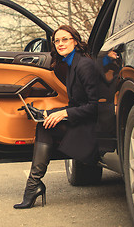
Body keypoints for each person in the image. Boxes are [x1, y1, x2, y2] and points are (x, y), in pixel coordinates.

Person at [14, 25, 99, 209]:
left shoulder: (84, 65)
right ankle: (33, 186)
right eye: (57, 40)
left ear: (75, 41)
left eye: (65, 39)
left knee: (45, 126)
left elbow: (95, 107)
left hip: (94, 129)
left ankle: (33, 186)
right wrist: (47, 113)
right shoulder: (71, 64)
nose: (60, 44)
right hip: (83, 122)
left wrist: (64, 113)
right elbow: (77, 103)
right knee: (45, 123)